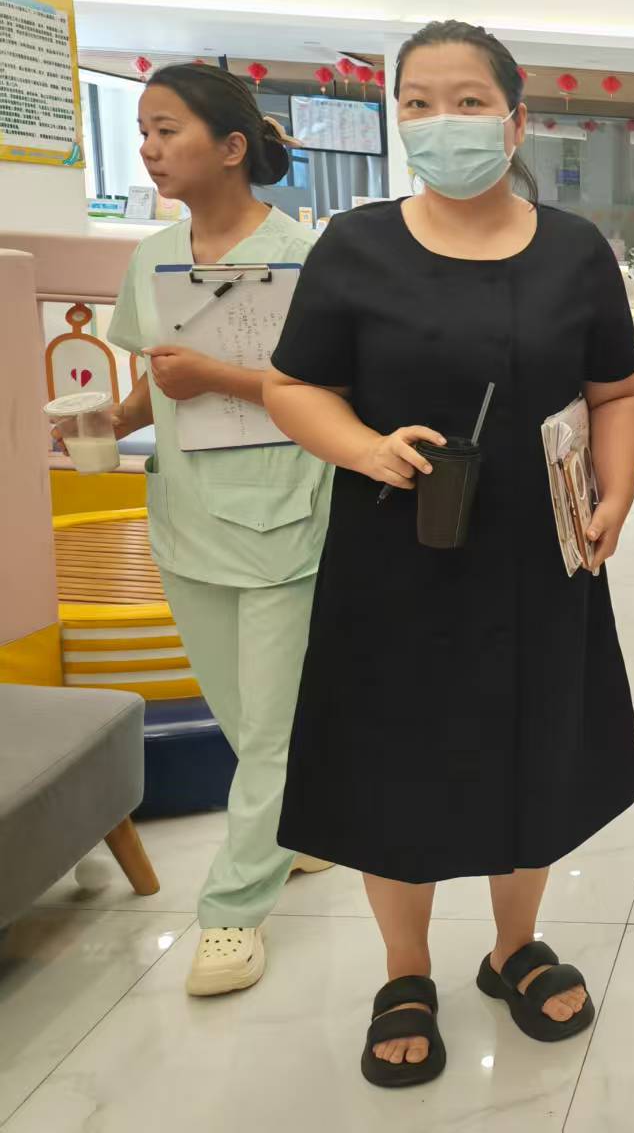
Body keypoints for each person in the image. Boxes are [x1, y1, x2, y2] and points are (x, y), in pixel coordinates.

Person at [262, 20, 634, 1088]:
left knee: (535, 743)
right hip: (395, 555)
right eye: (419, 103)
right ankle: (404, 969)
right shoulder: (355, 245)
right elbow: (293, 385)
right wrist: (364, 448)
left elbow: (617, 390)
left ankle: (514, 944)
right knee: (395, 757)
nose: (444, 122)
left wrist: (617, 490)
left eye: (469, 101)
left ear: (516, 121)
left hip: (539, 558)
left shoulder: (574, 250)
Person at [94, 63, 334, 996]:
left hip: (282, 515)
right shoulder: (152, 255)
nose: (149, 150)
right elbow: (157, 377)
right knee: (238, 713)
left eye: (168, 131)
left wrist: (219, 378)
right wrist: (108, 420)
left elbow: (333, 389)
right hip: (187, 516)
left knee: (271, 728)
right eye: (144, 132)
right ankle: (300, 831)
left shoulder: (306, 258)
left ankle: (232, 913)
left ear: (232, 147)